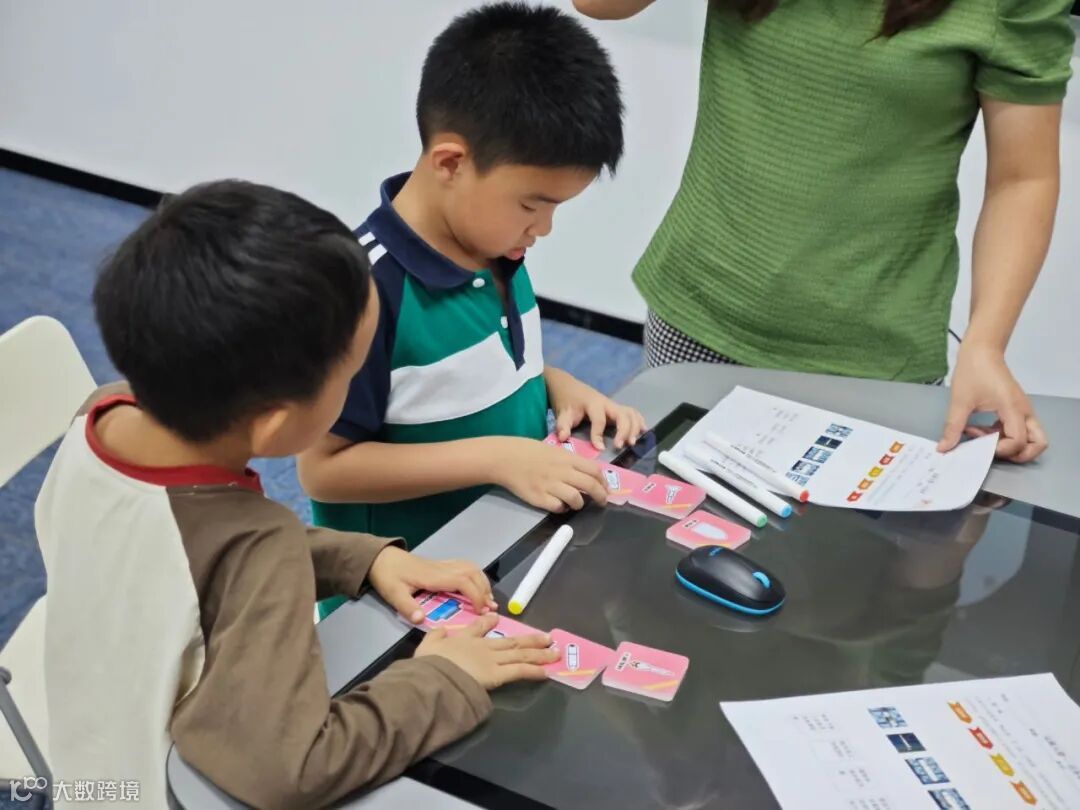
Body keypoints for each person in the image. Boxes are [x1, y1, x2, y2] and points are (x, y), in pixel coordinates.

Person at [36, 180, 558, 808]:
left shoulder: (101, 415)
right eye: (352, 375)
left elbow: (183, 549)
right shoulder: (260, 551)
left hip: (87, 769)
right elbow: (296, 770)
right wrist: (444, 678)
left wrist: (362, 559)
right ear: (277, 425)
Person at [575, 0, 1074, 464]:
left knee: (851, 532)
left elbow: (1022, 178)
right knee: (671, 518)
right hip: (700, 316)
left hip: (873, 362)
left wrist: (985, 345)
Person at [298, 3, 646, 617]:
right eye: (532, 205)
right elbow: (323, 470)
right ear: (452, 164)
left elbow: (469, 376)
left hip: (499, 561)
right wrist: (497, 457)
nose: (544, 228)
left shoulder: (496, 245)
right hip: (401, 607)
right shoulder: (360, 291)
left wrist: (557, 386)